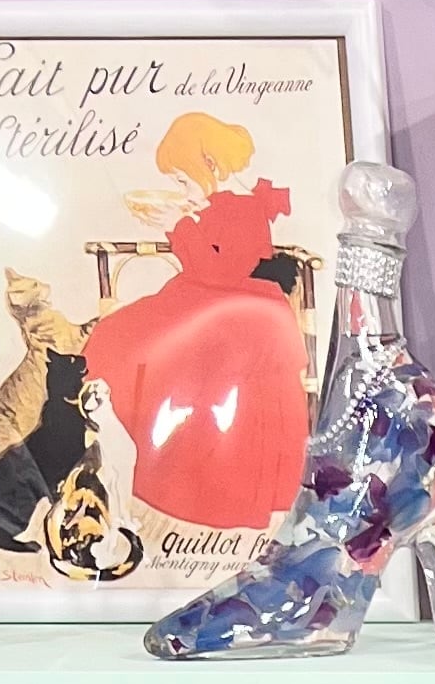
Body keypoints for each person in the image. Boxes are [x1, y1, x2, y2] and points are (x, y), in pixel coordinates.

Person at [80, 114, 312, 532]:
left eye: (183, 179)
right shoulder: (222, 204)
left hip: (238, 311)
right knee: (120, 332)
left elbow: (218, 270)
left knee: (147, 341)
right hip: (208, 298)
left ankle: (162, 458)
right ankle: (114, 432)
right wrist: (188, 220)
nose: (182, 189)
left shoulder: (244, 209)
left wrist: (180, 227)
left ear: (210, 165)